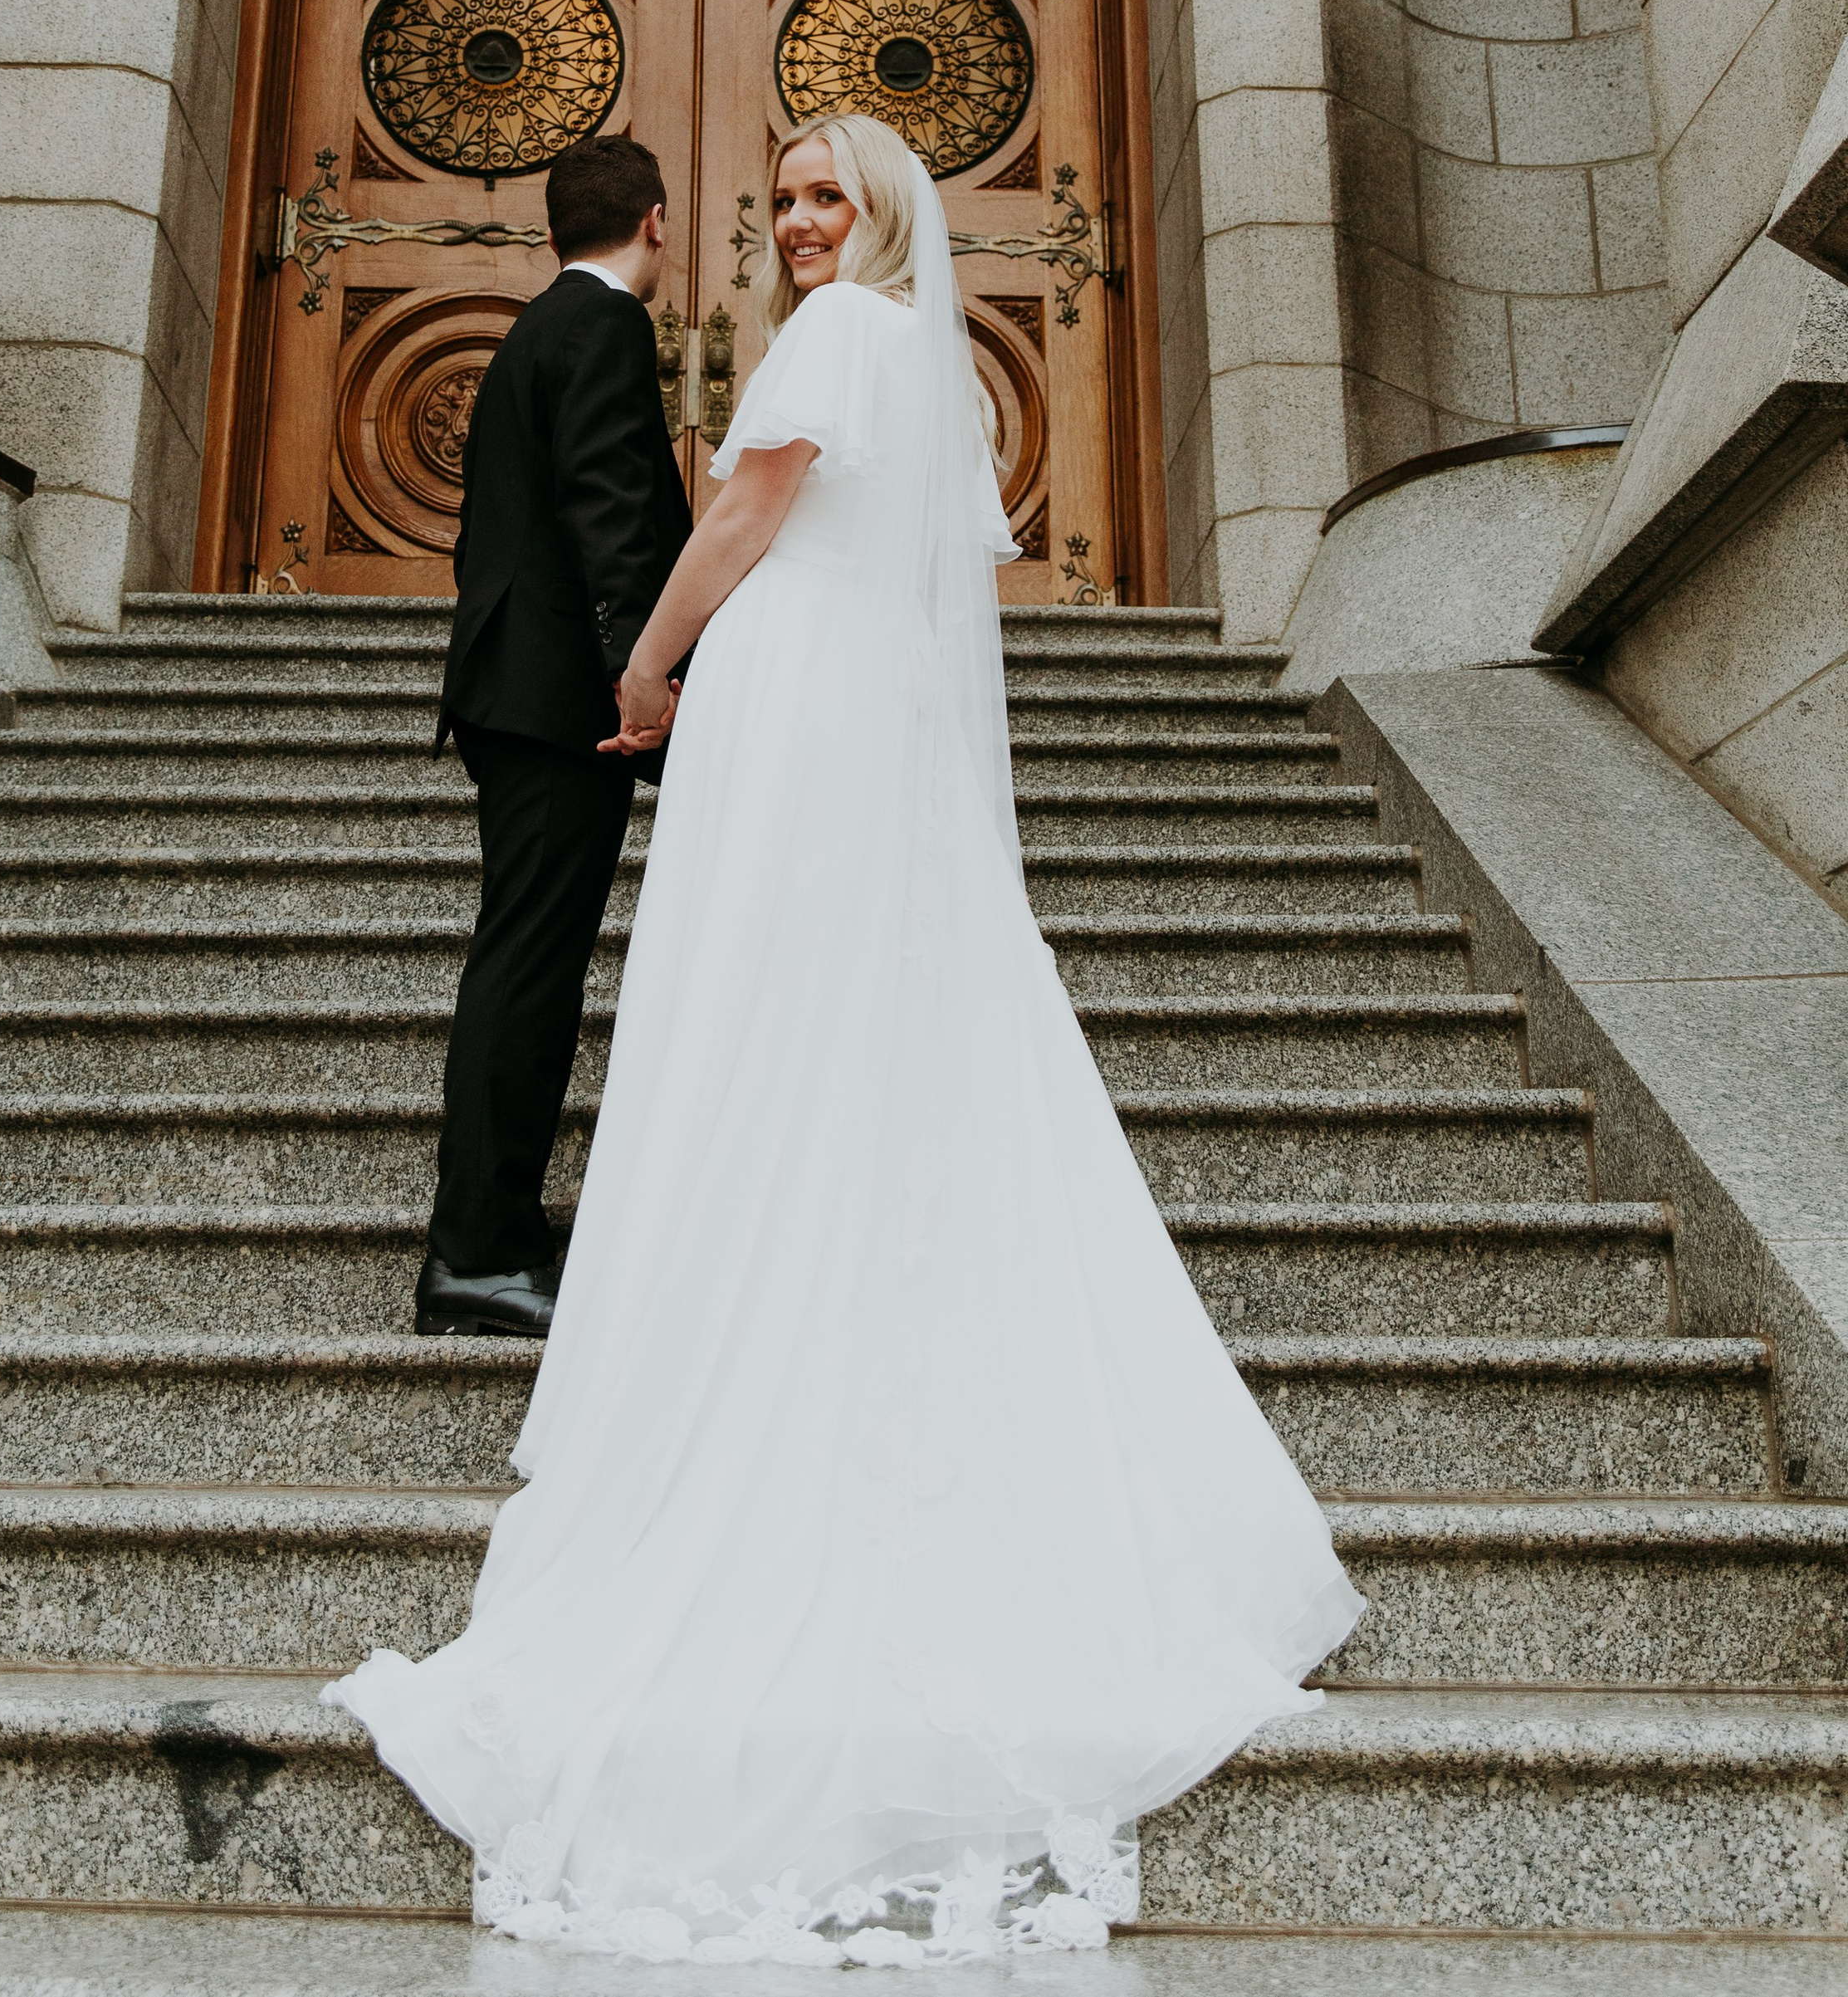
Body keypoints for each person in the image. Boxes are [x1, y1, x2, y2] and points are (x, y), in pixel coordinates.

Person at [331, 113, 1363, 1962]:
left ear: (882, 213)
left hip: (789, 701)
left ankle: (735, 1280)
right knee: (835, 1006)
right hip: (853, 704)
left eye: (827, 197)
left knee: (760, 1002)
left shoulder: (829, 338)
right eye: (785, 198)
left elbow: (742, 512)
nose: (798, 221)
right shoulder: (933, 354)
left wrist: (647, 664)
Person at [415, 129, 691, 1341]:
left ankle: (498, 1230)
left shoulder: (536, 325)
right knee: (528, 968)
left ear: (548, 231)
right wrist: (641, 671)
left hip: (514, 691)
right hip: (554, 704)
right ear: (659, 224)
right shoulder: (606, 328)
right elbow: (609, 507)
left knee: (523, 959)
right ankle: (475, 1251)